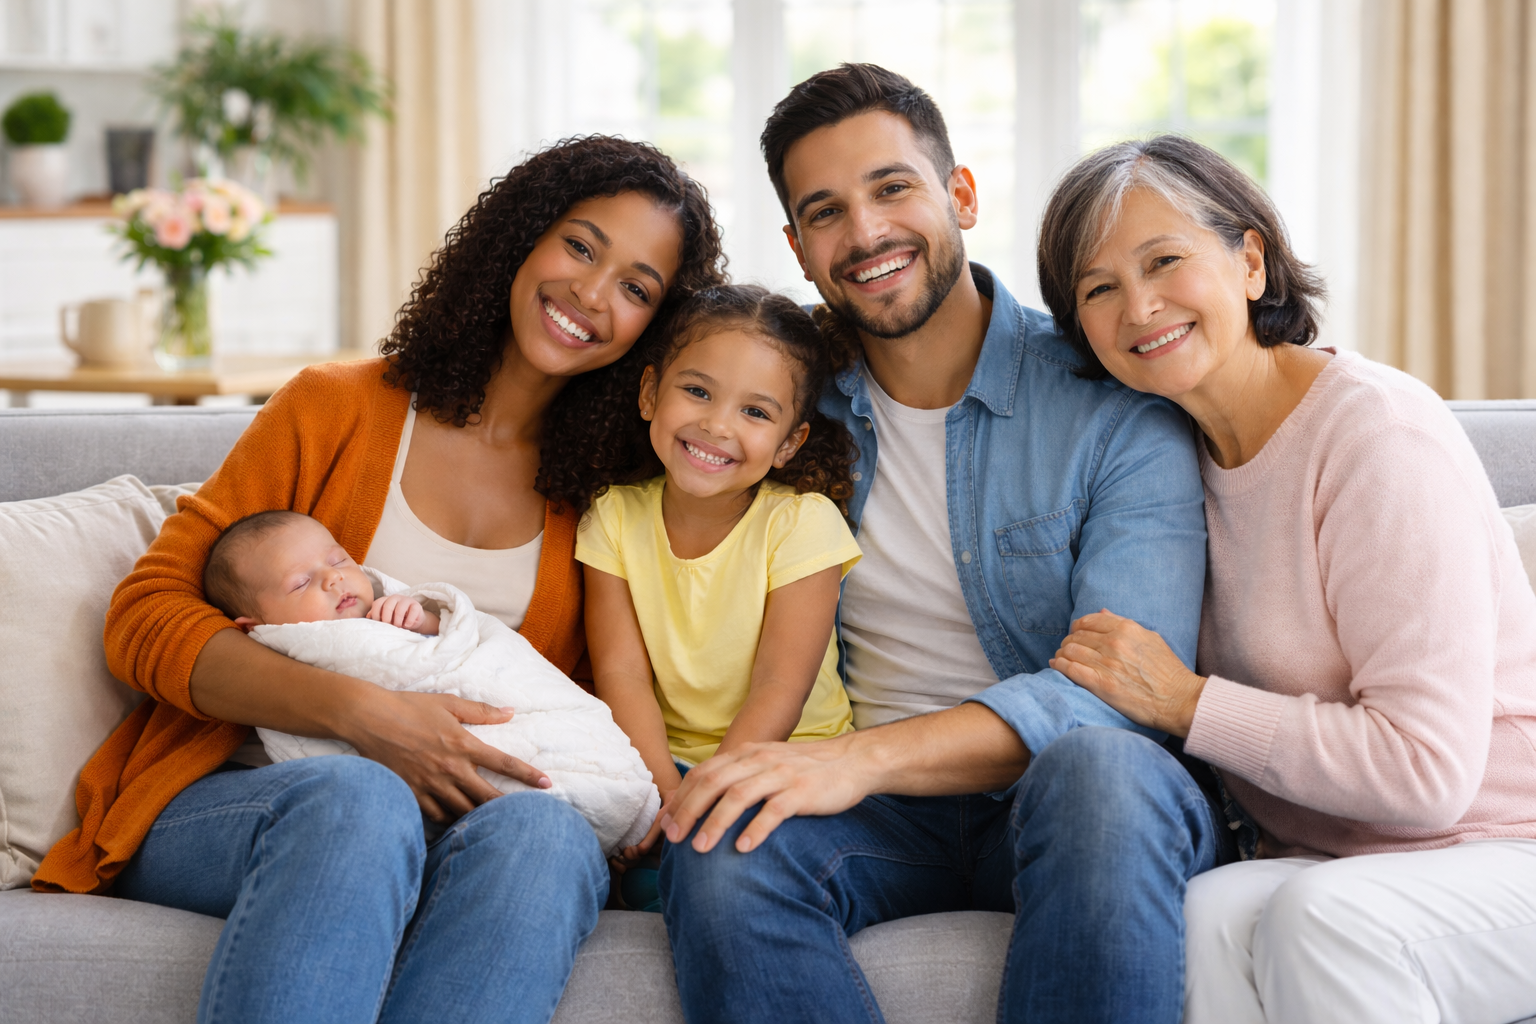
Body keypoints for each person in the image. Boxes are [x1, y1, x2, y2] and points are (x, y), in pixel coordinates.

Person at [31, 136, 724, 1024]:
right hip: (253, 799)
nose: (592, 294)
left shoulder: (608, 493)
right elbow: (146, 618)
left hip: (471, 819)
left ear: (654, 334)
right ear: (519, 238)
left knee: (549, 834)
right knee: (359, 796)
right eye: (580, 246)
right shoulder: (335, 407)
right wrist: (369, 716)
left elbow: (575, 698)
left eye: (636, 288)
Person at [655, 64, 1218, 1024]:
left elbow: (1124, 698)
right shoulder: (781, 408)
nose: (866, 233)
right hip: (876, 816)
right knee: (719, 838)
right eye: (826, 212)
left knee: (1102, 770)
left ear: (958, 194)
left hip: (1062, 794)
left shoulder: (1112, 407)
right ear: (798, 248)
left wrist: (864, 761)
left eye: (893, 188)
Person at [1039, 134, 1536, 1024]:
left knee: (1323, 922)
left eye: (1165, 261)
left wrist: (1189, 702)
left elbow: (1429, 773)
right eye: (1099, 288)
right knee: (1204, 916)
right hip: (1340, 859)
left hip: (1505, 846)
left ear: (1251, 262)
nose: (1139, 305)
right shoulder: (1165, 467)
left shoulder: (1376, 438)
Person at [577, 284, 862, 909]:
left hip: (782, 761)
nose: (716, 424)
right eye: (698, 391)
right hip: (657, 764)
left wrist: (704, 796)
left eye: (755, 413)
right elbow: (622, 674)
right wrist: (662, 794)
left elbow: (778, 690)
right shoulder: (613, 516)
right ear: (651, 393)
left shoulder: (801, 523)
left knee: (705, 873)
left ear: (790, 442)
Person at [199, 509, 660, 855]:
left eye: (338, 559)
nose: (333, 579)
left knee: (545, 825)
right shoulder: (281, 655)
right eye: (300, 584)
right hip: (367, 796)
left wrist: (424, 619)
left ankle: (609, 793)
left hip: (514, 727)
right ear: (254, 622)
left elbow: (468, 643)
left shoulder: (391, 607)